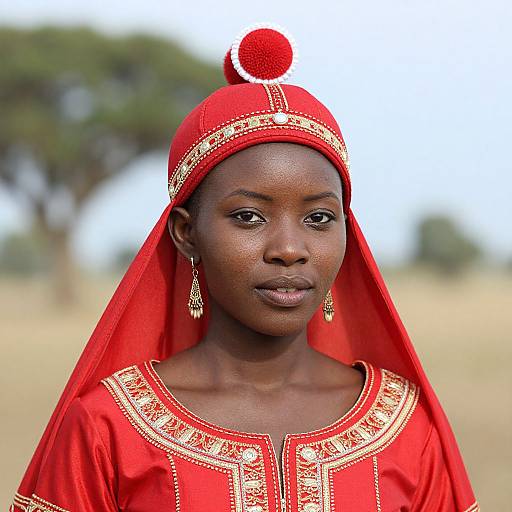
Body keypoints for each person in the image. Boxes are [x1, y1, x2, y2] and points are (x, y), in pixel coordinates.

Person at [10, 22, 478, 512]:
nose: (290, 249)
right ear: (187, 234)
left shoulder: (404, 426)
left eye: (319, 218)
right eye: (248, 217)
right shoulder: (108, 428)